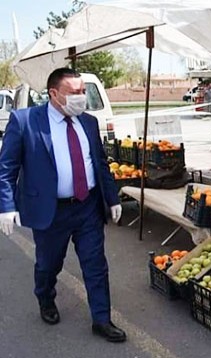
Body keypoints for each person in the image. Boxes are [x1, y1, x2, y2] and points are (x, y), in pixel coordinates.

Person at [0, 68, 126, 342]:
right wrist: (6, 207)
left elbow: (100, 163)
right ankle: (45, 298)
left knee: (95, 265)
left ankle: (101, 320)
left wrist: (112, 198)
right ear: (54, 94)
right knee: (48, 264)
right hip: (51, 211)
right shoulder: (25, 122)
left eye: (83, 91)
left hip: (87, 206)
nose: (81, 98)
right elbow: (6, 168)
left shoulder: (89, 123)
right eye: (74, 93)